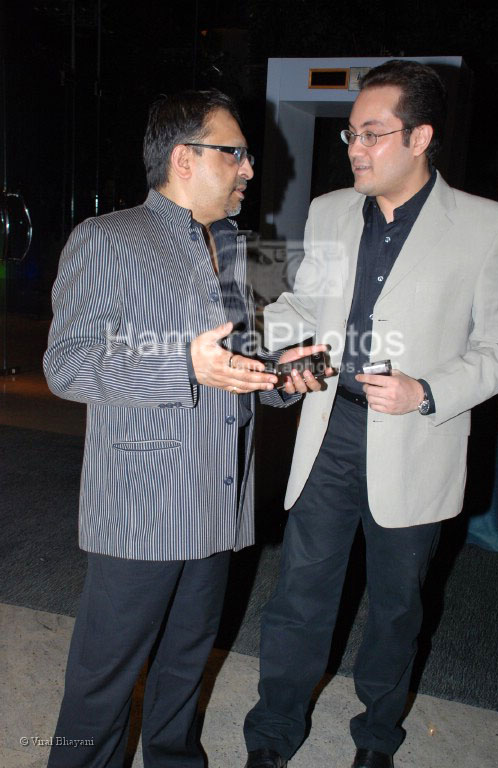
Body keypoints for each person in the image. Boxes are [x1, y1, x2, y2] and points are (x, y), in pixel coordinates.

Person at [243, 60, 498, 768]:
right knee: (299, 594)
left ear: (419, 136)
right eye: (349, 135)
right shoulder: (331, 211)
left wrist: (425, 390)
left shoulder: (488, 227)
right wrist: (273, 340)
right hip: (330, 431)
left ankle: (376, 740)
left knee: (396, 609)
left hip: (416, 440)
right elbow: (305, 302)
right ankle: (271, 737)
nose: (354, 148)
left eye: (371, 133)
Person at [43, 89, 321, 768]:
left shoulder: (235, 248)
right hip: (141, 503)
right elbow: (66, 365)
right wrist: (182, 366)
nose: (249, 169)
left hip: (217, 501)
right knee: (103, 682)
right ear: (184, 158)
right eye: (237, 154)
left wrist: (279, 379)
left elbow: (234, 363)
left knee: (183, 667)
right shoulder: (107, 239)